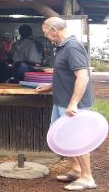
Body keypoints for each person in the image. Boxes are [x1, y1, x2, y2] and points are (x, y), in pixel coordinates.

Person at [36, 17, 96, 191]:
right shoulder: (62, 47)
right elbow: (65, 75)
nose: (47, 36)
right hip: (61, 101)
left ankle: (87, 177)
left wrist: (74, 103)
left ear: (54, 30)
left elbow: (82, 77)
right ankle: (77, 170)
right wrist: (48, 87)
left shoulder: (72, 47)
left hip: (72, 104)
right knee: (60, 138)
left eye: (46, 33)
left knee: (77, 139)